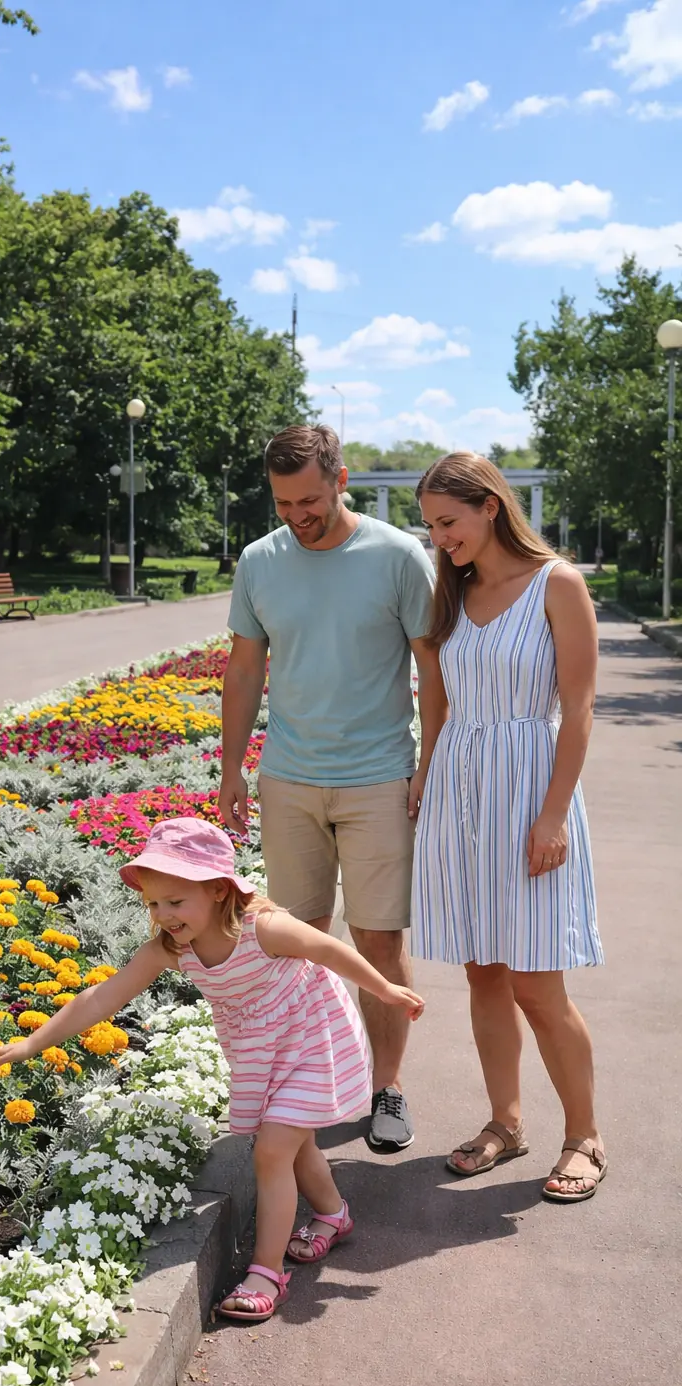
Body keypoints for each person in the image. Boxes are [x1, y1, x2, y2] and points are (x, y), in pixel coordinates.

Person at [0, 817, 424, 1320]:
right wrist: (29, 1043)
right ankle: (333, 1217)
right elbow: (100, 998)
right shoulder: (171, 950)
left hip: (312, 1039)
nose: (164, 914)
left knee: (274, 1150)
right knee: (293, 1147)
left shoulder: (263, 928)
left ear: (216, 890)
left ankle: (266, 1274)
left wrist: (385, 990)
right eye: (154, 903)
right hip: (259, 1046)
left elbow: (330, 950)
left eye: (175, 901)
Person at [218, 424, 442, 1154]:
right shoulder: (260, 561)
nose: (297, 515)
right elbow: (246, 670)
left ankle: (386, 1089)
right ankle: (310, 1085)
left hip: (378, 778)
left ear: (340, 479)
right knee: (294, 941)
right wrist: (231, 769)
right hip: (289, 778)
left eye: (309, 499)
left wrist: (428, 765)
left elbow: (432, 671)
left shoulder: (397, 556)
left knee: (379, 939)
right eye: (283, 503)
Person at [412, 452, 606, 1202]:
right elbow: (443, 701)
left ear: (491, 506)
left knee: (536, 983)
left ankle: (585, 1136)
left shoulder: (557, 583)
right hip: (462, 794)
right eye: (430, 526)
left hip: (530, 792)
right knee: (483, 972)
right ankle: (506, 1122)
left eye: (449, 522)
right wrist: (428, 772)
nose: (440, 538)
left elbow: (579, 709)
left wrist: (554, 812)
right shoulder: (453, 590)